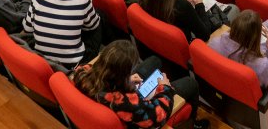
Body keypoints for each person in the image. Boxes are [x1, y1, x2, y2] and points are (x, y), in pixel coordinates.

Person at [71, 39, 206, 129]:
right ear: (121, 74)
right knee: (190, 83)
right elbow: (157, 117)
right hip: (140, 113)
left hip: (115, 90)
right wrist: (165, 87)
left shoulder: (82, 72)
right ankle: (194, 125)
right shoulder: (124, 102)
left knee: (154, 60)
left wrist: (126, 80)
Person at [207, 10, 268, 87]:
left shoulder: (213, 43)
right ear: (255, 39)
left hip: (222, 85)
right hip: (255, 94)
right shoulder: (261, 65)